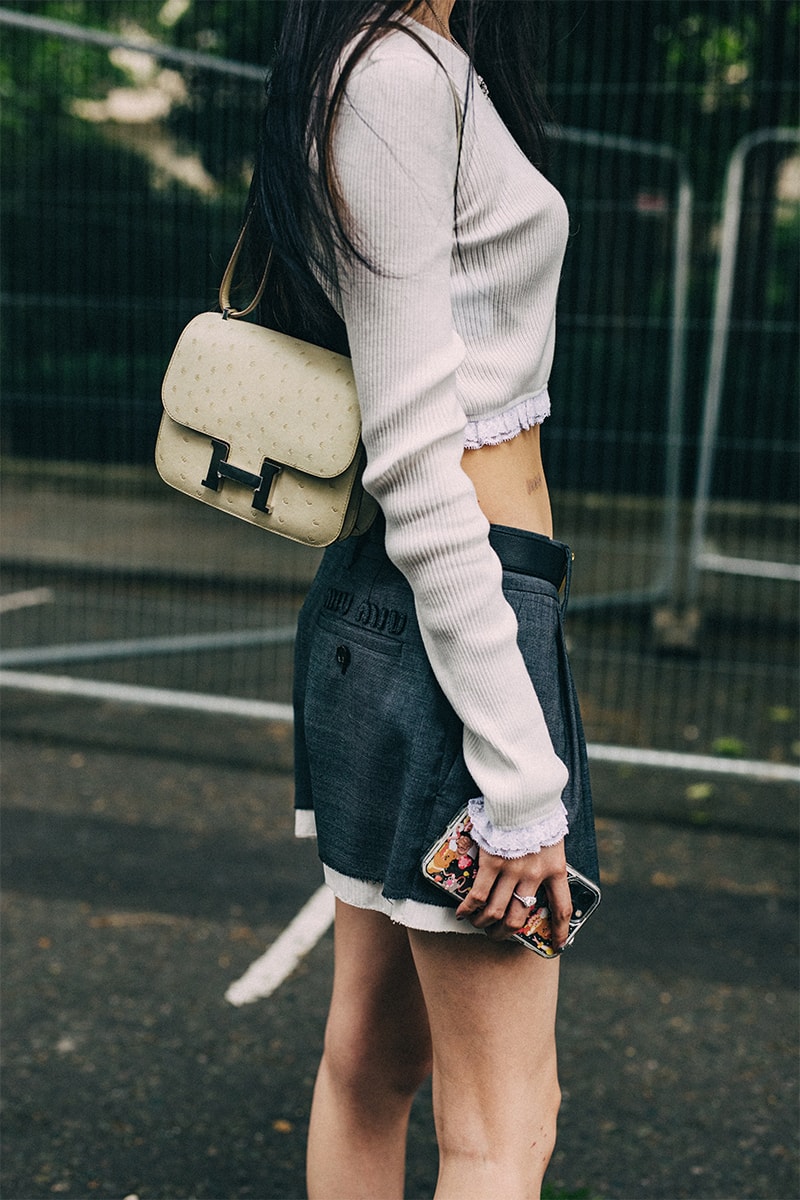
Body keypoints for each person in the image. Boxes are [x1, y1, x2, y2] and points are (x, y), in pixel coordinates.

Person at [247, 2, 599, 1196]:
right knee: (506, 1126)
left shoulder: (398, 64)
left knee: (372, 1060)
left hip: (405, 616)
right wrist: (521, 776)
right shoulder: (393, 78)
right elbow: (413, 457)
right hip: (460, 616)